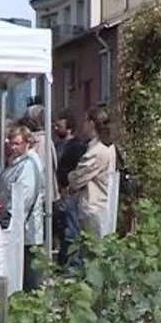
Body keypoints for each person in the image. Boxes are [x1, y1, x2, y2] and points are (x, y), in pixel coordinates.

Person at [0, 125, 45, 290]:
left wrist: (5, 220)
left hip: (23, 226)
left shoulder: (28, 165)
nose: (13, 147)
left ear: (27, 143)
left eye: (17, 143)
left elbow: (22, 197)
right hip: (15, 224)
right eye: (11, 143)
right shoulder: (17, 162)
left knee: (27, 275)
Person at [68, 107, 117, 238]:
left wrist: (69, 177)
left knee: (92, 249)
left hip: (94, 206)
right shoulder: (108, 146)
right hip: (103, 204)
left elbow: (77, 177)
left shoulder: (97, 151)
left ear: (91, 123)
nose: (83, 125)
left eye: (85, 121)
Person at [54, 110, 87, 265]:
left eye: (59, 126)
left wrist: (69, 185)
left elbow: (76, 169)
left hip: (70, 192)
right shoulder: (55, 145)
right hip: (58, 191)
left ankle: (72, 264)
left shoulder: (77, 146)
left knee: (71, 229)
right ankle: (63, 260)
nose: (55, 128)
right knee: (61, 229)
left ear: (69, 127)